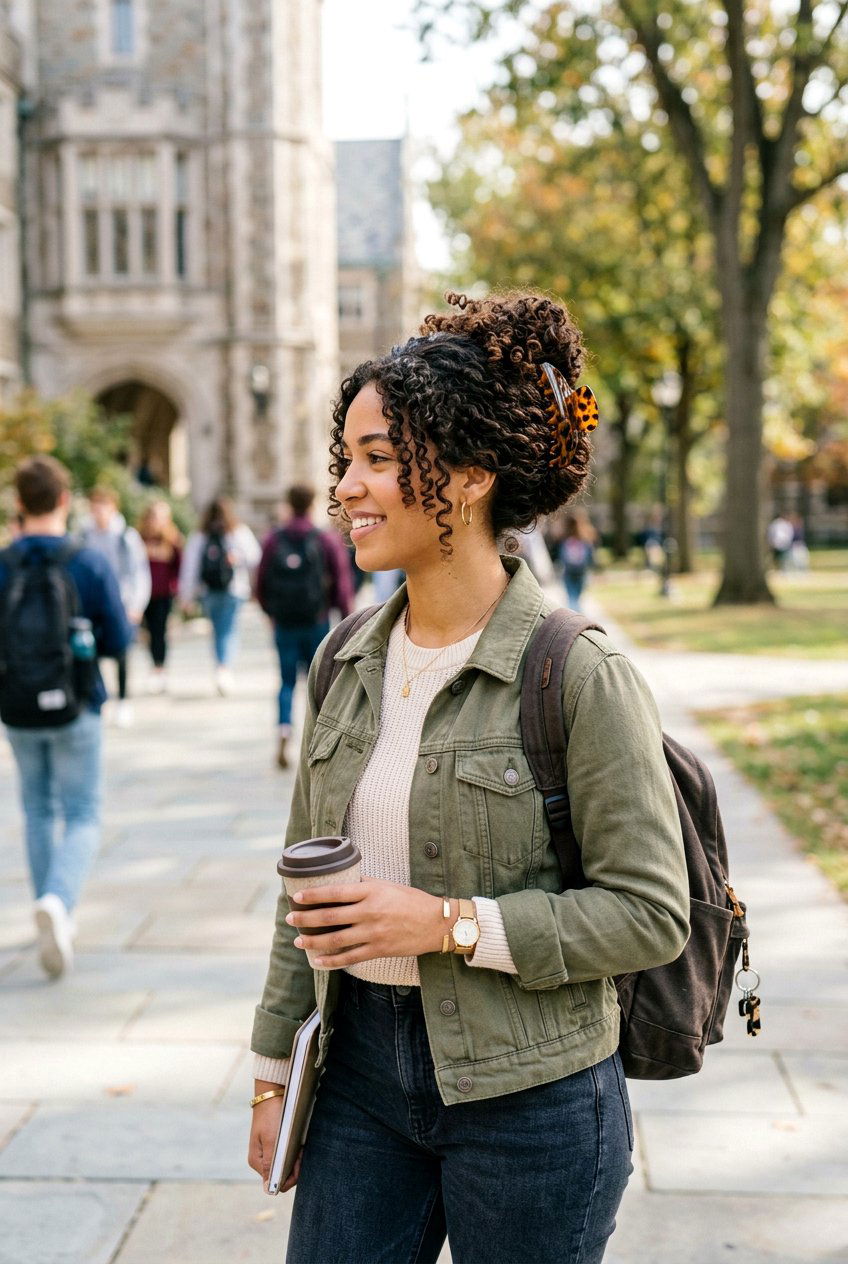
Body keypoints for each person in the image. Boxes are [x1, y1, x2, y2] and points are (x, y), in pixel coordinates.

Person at [247, 292, 690, 1263]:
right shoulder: (343, 659)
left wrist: (446, 922)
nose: (345, 490)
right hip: (359, 1080)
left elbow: (650, 913)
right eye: (345, 459)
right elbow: (304, 883)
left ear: (470, 476)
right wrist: (273, 1064)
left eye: (376, 459)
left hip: (532, 1097)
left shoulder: (577, 672)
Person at [0, 457, 132, 978]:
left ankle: (53, 908)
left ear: (18, 504)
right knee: (81, 812)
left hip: (17, 707)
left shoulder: (3, 563)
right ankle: (58, 902)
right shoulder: (88, 560)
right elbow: (119, 639)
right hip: (77, 702)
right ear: (63, 500)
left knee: (37, 809)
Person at [255, 484, 354, 769]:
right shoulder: (324, 538)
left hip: (284, 622)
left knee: (286, 682)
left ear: (288, 503)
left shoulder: (274, 539)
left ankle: (284, 729)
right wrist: (347, 618)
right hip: (316, 620)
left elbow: (260, 581)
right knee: (320, 683)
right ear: (312, 504)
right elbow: (341, 583)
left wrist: (270, 611)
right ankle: (319, 739)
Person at [81, 487, 151, 726]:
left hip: (120, 603)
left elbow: (139, 573)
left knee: (121, 654)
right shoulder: (84, 535)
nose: (98, 512)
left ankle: (123, 700)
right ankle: (99, 699)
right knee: (90, 654)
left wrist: (136, 605)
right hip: (91, 605)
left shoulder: (125, 537)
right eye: (94, 507)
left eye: (102, 506)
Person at [179, 497, 261, 695]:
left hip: (208, 591)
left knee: (218, 629)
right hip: (234, 589)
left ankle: (221, 666)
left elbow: (190, 567)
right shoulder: (238, 532)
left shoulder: (200, 535)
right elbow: (254, 557)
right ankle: (224, 668)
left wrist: (186, 596)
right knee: (228, 629)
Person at [138, 500, 183, 693]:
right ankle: (154, 664)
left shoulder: (173, 540)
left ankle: (160, 667)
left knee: (160, 631)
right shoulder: (139, 539)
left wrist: (177, 588)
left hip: (163, 593)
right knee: (147, 632)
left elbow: (180, 567)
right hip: (144, 593)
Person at [560, 510, 596, 611]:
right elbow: (590, 555)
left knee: (571, 596)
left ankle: (574, 616)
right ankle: (577, 615)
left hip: (569, 571)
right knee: (577, 597)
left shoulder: (565, 538)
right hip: (581, 570)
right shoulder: (585, 538)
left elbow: (561, 556)